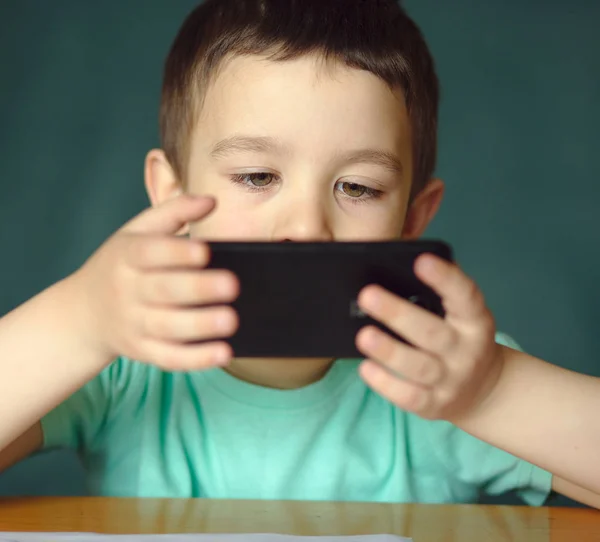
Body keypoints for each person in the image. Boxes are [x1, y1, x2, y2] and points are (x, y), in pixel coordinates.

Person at [0, 0, 598, 507]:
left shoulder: (437, 373)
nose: (307, 227)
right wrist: (80, 321)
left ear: (412, 219)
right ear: (171, 194)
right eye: (258, 175)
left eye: (358, 187)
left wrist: (491, 392)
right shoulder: (124, 366)